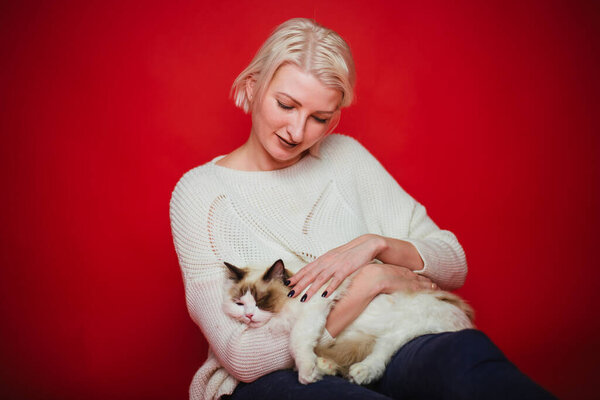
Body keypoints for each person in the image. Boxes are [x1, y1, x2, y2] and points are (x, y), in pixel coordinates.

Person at [170, 18, 555, 400]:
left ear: (334, 117)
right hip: (274, 377)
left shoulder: (347, 159)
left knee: (468, 360)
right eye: (286, 105)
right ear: (253, 88)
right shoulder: (200, 193)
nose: (297, 131)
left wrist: (374, 247)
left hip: (383, 340)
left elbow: (452, 261)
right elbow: (242, 358)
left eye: (319, 118)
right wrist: (372, 283)